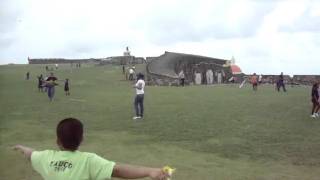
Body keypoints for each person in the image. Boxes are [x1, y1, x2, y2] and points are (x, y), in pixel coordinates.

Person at [13, 118, 170, 180]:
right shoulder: (88, 160)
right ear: (82, 139)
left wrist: (21, 147)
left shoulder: (45, 158)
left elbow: (30, 153)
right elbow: (118, 170)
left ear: (57, 141)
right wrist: (150, 171)